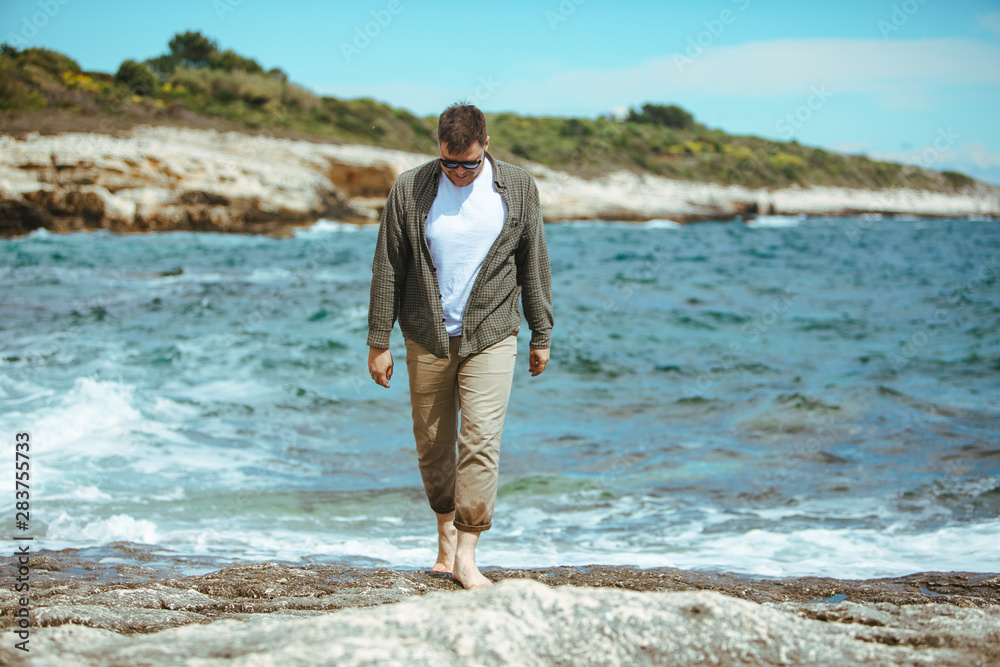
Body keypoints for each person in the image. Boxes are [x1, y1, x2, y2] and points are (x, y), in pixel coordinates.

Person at [367, 103, 553, 589]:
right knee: (432, 447)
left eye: (468, 163)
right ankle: (444, 537)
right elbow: (388, 265)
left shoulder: (517, 187)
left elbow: (534, 261)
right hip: (426, 334)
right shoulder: (411, 187)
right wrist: (377, 339)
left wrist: (542, 332)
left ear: (486, 145)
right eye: (449, 163)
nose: (459, 173)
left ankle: (467, 553)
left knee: (480, 440)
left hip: (492, 333)